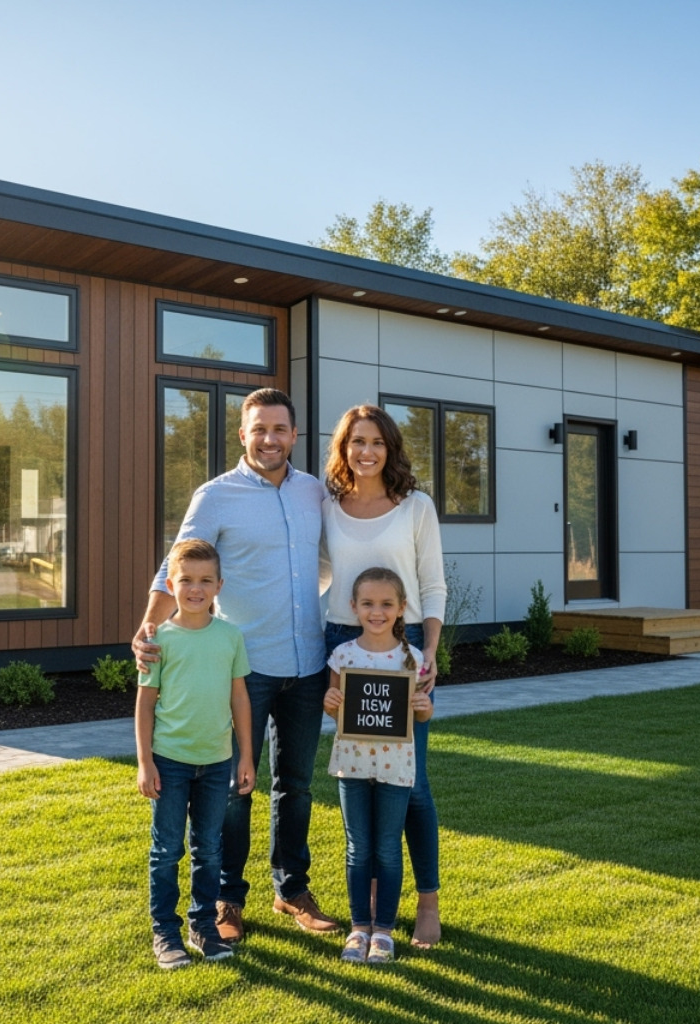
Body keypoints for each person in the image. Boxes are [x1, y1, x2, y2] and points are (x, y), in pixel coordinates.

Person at [132, 388, 339, 943]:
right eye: (258, 429)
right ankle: (227, 898)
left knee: (295, 784)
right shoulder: (215, 496)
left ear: (295, 436)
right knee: (234, 787)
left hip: (308, 662)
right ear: (242, 435)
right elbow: (172, 566)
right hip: (242, 668)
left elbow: (325, 565)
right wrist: (150, 627)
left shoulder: (313, 493)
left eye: (279, 429)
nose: (269, 438)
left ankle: (291, 889)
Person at [320, 403, 446, 948]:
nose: (366, 451)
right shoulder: (327, 505)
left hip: (406, 645)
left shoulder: (416, 506)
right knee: (360, 772)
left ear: (390, 447)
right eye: (356, 442)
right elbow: (318, 572)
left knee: (411, 783)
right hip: (343, 645)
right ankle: (368, 913)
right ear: (343, 449)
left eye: (376, 441)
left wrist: (430, 652)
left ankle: (427, 903)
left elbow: (434, 584)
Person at [136, 538, 256, 969]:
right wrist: (145, 762)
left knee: (209, 848)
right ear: (171, 584)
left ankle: (202, 924)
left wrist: (245, 757)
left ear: (219, 586)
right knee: (166, 849)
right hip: (169, 761)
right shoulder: (157, 640)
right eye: (186, 580)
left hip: (217, 762)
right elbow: (145, 704)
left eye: (206, 580)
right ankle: (164, 932)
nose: (196, 589)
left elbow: (240, 699)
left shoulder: (230, 637)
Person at [323, 567, 434, 965]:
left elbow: (420, 716)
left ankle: (383, 930)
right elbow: (336, 706)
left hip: (396, 768)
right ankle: (358, 928)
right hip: (352, 765)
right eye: (368, 604)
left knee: (388, 849)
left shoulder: (413, 658)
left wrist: (424, 708)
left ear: (402, 608)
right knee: (358, 848)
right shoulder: (343, 655)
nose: (377, 612)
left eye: (387, 604)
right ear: (353, 607)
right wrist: (330, 704)